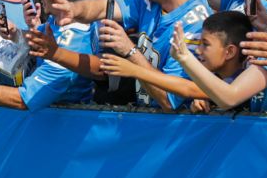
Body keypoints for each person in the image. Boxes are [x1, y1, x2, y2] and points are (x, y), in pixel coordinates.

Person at [48, 0, 212, 110]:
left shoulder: (196, 24)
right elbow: (100, 8)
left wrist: (130, 51)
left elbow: (168, 101)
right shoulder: (147, 0)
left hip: (176, 129)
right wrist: (72, 9)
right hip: (145, 118)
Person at [100, 11, 254, 113]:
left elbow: (188, 88)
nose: (198, 51)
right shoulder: (218, 75)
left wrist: (135, 69)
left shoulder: (244, 78)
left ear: (230, 52)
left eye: (205, 44)